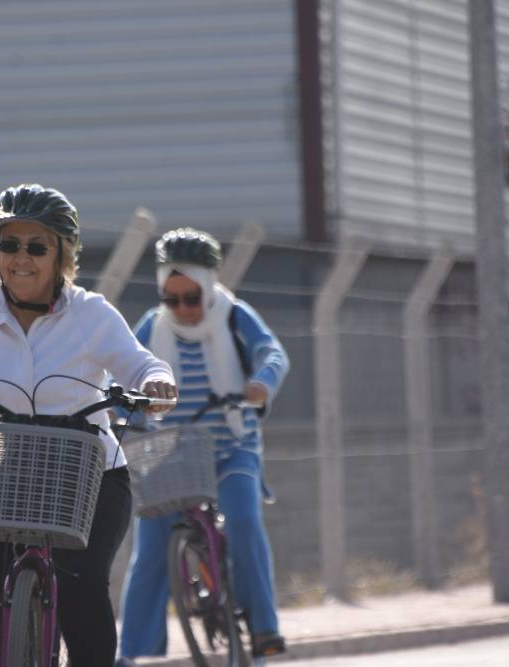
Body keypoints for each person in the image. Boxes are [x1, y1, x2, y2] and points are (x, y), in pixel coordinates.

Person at [0, 183, 177, 666]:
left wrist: (157, 384)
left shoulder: (91, 313)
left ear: (61, 256)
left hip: (92, 481)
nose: (21, 258)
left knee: (82, 590)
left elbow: (141, 365)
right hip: (6, 480)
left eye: (37, 246)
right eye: (9, 245)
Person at [116, 227, 290, 665]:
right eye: (171, 299)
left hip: (233, 447)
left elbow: (272, 354)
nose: (181, 309)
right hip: (170, 453)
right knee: (151, 549)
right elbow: (124, 371)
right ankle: (135, 653)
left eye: (191, 298)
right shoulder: (152, 327)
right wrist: (120, 408)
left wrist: (260, 384)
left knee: (246, 522)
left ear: (209, 287)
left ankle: (264, 627)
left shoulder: (234, 316)